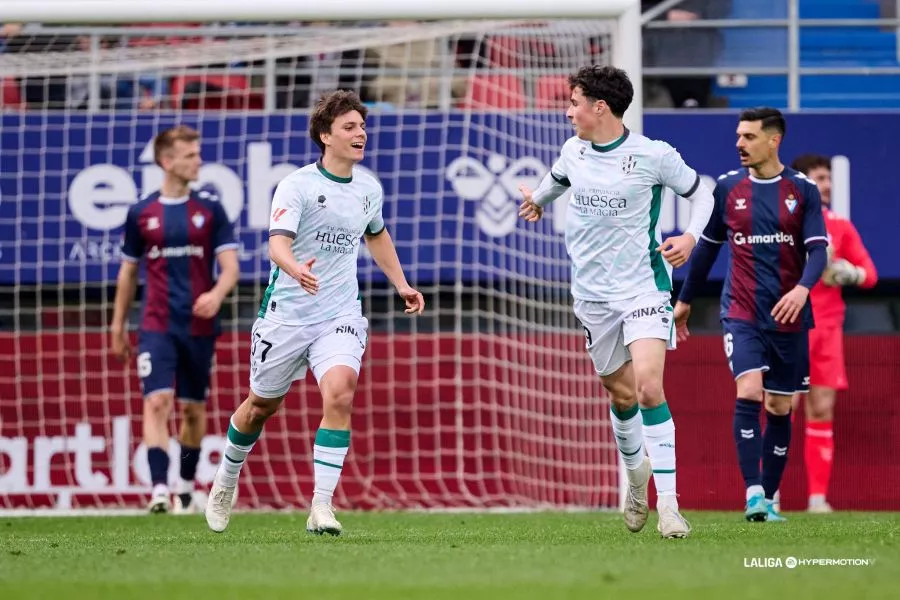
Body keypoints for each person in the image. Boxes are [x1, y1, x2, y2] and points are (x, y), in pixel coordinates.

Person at [205, 90, 425, 535]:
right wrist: (295, 270)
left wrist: (401, 283)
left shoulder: (368, 188)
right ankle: (226, 480)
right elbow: (277, 245)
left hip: (339, 313)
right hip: (286, 315)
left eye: (362, 126)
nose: (361, 134)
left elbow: (376, 235)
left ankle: (321, 506)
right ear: (326, 135)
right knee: (260, 407)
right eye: (350, 127)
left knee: (340, 393)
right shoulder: (297, 185)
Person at [518, 65, 715, 539]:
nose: (569, 113)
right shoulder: (574, 151)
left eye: (574, 103)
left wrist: (690, 236)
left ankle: (670, 506)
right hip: (592, 296)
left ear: (599, 107)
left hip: (644, 287)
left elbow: (703, 194)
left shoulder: (653, 154)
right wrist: (538, 200)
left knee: (648, 387)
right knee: (621, 395)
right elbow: (556, 180)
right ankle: (635, 476)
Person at [674, 108, 829, 522]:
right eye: (738, 135)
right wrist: (685, 299)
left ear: (773, 140)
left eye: (749, 136)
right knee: (748, 391)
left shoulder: (803, 190)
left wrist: (802, 289)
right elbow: (707, 250)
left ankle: (771, 497)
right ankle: (754, 493)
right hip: (741, 311)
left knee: (779, 406)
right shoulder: (727, 188)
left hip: (789, 315)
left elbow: (818, 251)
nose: (739, 143)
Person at [111, 125, 240, 514]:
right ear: (167, 161)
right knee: (157, 401)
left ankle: (184, 487)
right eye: (190, 155)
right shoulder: (141, 212)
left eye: (198, 153)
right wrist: (117, 326)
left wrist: (216, 294)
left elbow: (231, 268)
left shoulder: (211, 209)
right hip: (156, 323)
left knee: (193, 410)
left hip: (199, 326)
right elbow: (128, 273)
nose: (199, 161)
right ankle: (158, 490)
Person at [789, 154, 878, 513]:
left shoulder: (840, 225)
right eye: (819, 178)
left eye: (828, 178)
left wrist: (848, 272)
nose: (826, 184)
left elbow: (870, 274)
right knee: (781, 406)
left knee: (822, 408)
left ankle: (817, 499)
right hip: (790, 326)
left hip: (827, 329)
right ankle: (766, 494)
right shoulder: (785, 222)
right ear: (802, 183)